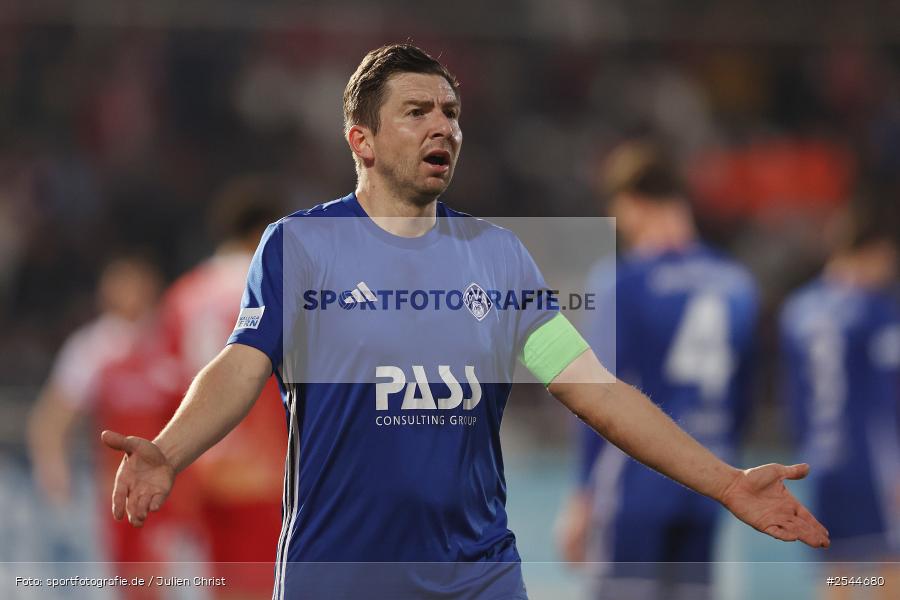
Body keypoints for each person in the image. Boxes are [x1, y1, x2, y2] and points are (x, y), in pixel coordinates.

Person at [101, 44, 829, 599]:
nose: (441, 125)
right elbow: (242, 362)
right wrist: (169, 450)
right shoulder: (301, 248)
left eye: (450, 112)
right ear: (361, 140)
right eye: (417, 112)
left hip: (477, 574)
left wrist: (725, 481)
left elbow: (594, 390)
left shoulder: (500, 258)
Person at [555, 141, 759, 599]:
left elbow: (598, 393)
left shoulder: (622, 281)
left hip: (637, 483)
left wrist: (582, 496)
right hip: (709, 481)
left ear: (631, 204)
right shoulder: (737, 284)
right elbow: (744, 396)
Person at [28, 254, 197, 599]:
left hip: (179, 491)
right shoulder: (92, 348)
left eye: (139, 285)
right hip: (119, 493)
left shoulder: (178, 339)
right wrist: (53, 469)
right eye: (122, 286)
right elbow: (52, 417)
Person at [157, 175, 287, 598]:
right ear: (262, 231)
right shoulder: (271, 285)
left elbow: (169, 383)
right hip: (265, 471)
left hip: (200, 469)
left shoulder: (182, 294)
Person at [780, 202, 900, 600]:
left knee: (838, 572)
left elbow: (794, 400)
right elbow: (889, 399)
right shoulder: (877, 312)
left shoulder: (798, 311)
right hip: (873, 464)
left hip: (820, 461)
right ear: (874, 252)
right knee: (889, 568)